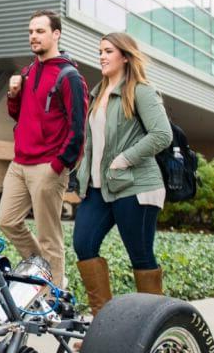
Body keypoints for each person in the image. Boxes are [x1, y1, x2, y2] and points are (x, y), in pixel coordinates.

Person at [71, 32, 172, 316]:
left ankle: (154, 326)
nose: (101, 56)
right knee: (84, 243)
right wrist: (81, 175)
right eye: (99, 51)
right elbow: (94, 144)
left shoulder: (141, 90)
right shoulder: (97, 93)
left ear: (125, 56)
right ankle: (103, 324)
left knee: (140, 256)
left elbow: (162, 135)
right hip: (99, 188)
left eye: (108, 51)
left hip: (136, 186)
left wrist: (125, 159)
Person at [0, 10, 88, 286]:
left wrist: (59, 165)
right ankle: (43, 271)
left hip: (48, 166)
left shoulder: (69, 76)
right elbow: (19, 115)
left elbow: (78, 127)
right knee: (7, 221)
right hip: (19, 163)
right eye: (30, 32)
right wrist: (13, 95)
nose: (33, 36)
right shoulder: (27, 72)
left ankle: (55, 296)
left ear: (56, 34)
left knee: (50, 236)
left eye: (40, 31)